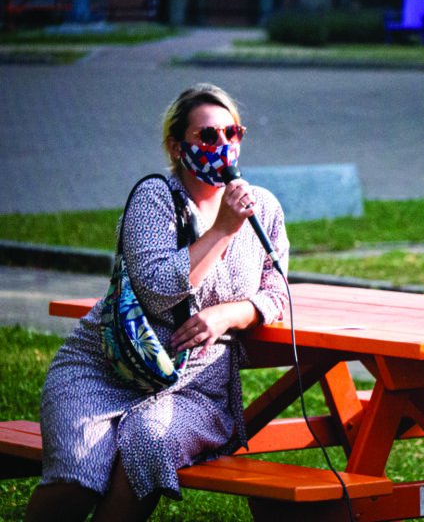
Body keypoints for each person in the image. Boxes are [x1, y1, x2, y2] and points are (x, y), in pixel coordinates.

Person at [26, 84, 290, 522]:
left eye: (232, 132)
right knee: (78, 473)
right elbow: (156, 290)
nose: (223, 144)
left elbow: (277, 291)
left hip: (194, 386)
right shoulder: (154, 198)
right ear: (176, 146)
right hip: (105, 367)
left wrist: (228, 314)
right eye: (208, 135)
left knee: (147, 444)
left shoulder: (263, 207)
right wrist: (222, 229)